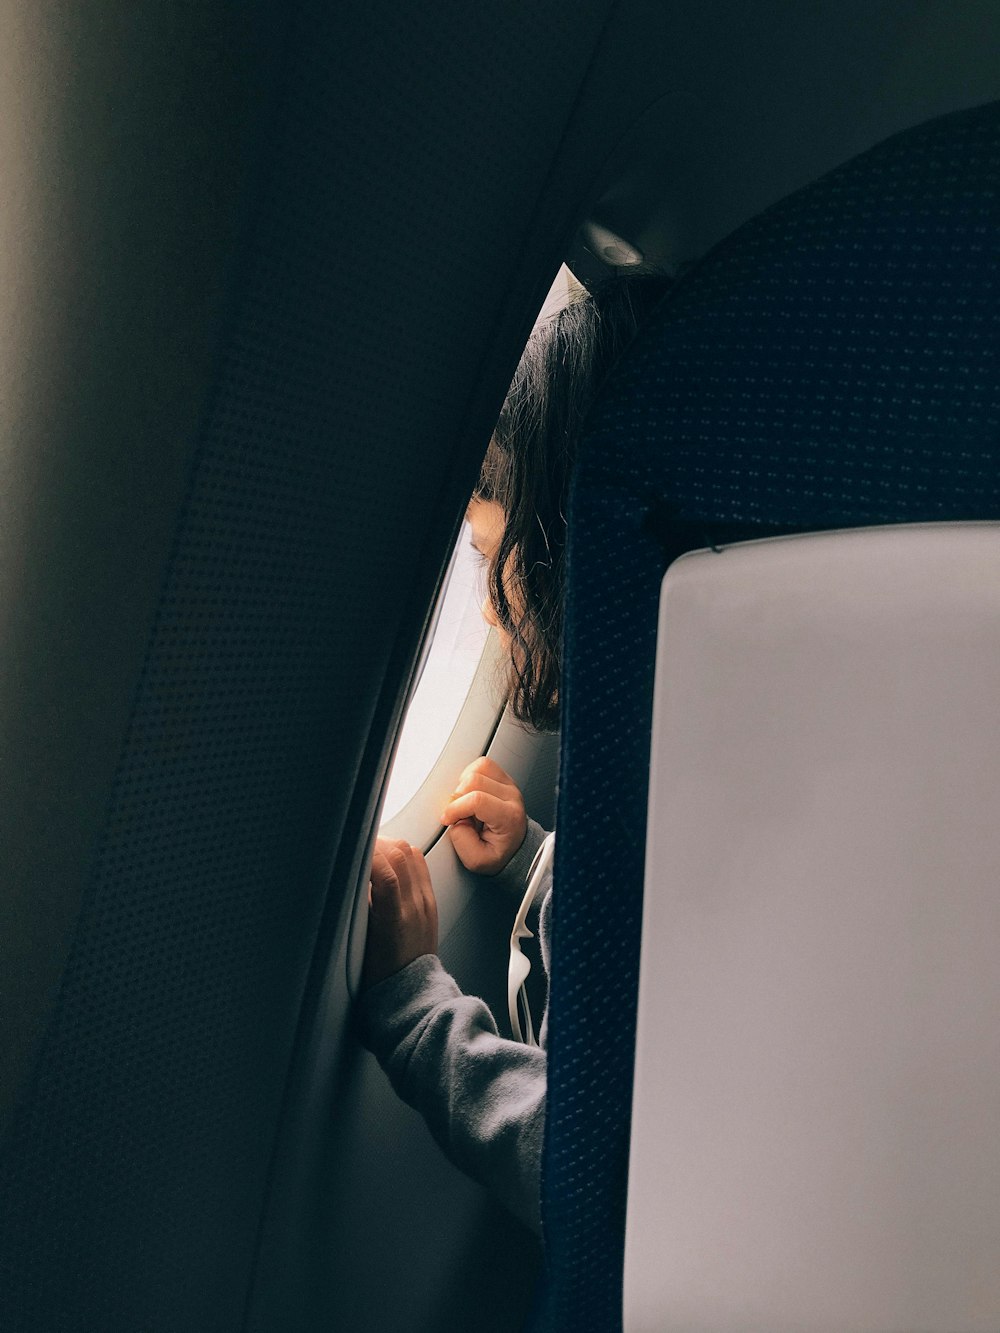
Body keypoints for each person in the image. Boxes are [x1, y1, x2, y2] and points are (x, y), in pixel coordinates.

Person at [355, 272, 672, 1233]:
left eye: (501, 569)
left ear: (565, 555)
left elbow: (596, 1173)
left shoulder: (665, 798)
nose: (492, 613)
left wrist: (417, 1016)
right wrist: (538, 860)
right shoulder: (670, 743)